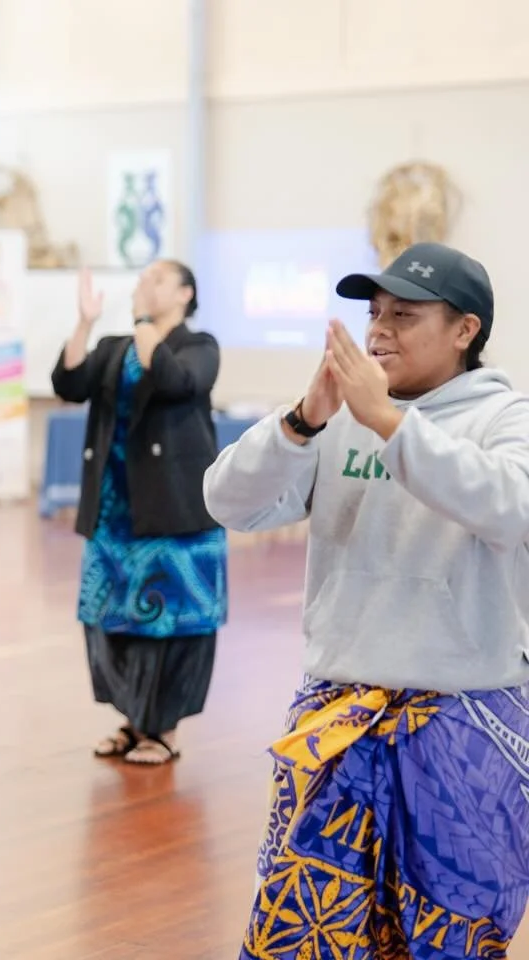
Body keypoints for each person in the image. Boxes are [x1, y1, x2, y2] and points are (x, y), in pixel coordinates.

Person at [203, 242, 529, 957]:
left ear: (465, 330)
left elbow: (512, 507)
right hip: (337, 718)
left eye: (404, 316)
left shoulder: (507, 418)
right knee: (303, 934)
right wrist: (302, 421)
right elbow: (229, 502)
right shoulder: (337, 419)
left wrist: (390, 424)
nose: (379, 330)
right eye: (374, 313)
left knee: (449, 941)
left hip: (464, 726)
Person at [50, 261, 226, 765]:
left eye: (157, 280)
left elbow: (170, 379)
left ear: (185, 294)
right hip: (115, 511)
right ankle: (132, 722)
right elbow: (68, 382)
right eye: (142, 280)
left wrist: (146, 323)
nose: (143, 285)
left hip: (174, 512)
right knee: (112, 619)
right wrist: (85, 322)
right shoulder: (115, 347)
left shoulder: (200, 346)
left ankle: (163, 730)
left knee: (172, 623)